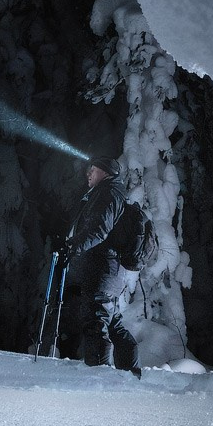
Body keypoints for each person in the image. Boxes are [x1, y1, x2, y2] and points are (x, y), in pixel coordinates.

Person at [58, 155, 142, 376]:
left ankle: (99, 376)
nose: (88, 173)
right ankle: (130, 373)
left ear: (105, 172)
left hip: (104, 268)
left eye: (93, 169)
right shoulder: (106, 193)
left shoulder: (108, 193)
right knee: (111, 320)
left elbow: (99, 231)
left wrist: (72, 246)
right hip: (107, 269)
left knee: (96, 321)